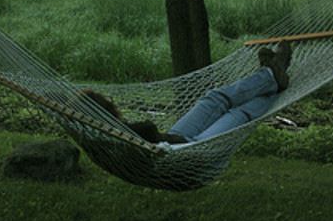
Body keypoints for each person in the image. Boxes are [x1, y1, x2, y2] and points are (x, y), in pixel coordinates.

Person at [82, 40, 292, 145]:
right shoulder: (115, 137)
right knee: (237, 114)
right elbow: (148, 128)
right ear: (104, 112)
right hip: (189, 151)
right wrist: (122, 126)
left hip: (175, 139)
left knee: (215, 97)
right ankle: (272, 76)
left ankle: (271, 76)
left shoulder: (104, 136)